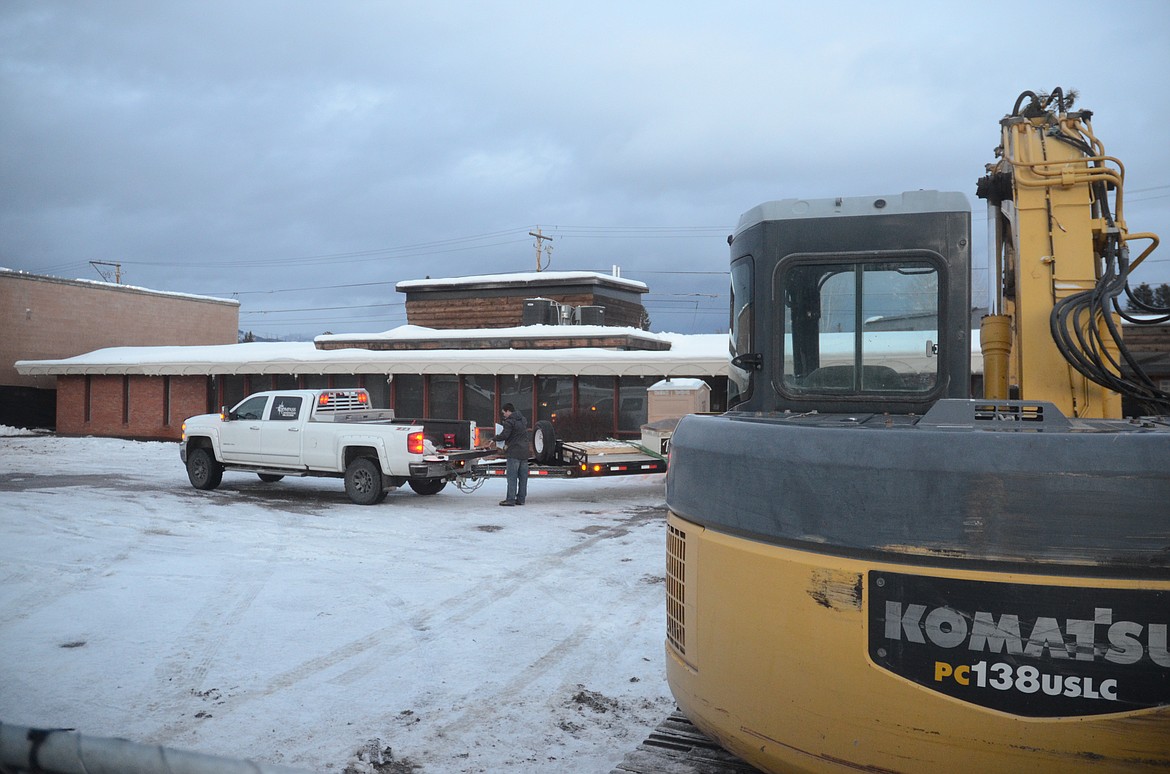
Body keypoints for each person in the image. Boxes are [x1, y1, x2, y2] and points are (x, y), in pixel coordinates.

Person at [493, 402, 530, 506]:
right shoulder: (523, 420)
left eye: (504, 412)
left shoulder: (509, 422)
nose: (503, 415)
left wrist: (494, 438)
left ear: (508, 411)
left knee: (512, 477)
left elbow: (505, 435)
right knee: (523, 478)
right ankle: (521, 499)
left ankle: (510, 500)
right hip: (524, 452)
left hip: (514, 452)